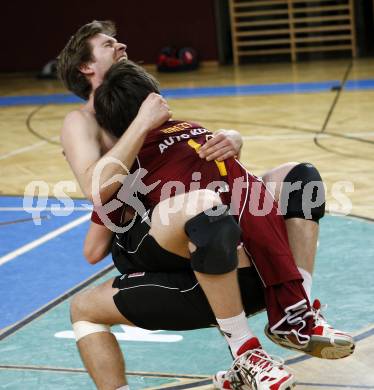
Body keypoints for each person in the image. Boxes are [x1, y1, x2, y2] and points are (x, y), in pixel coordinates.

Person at [69, 60, 353, 390]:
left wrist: (115, 215)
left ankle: (246, 351)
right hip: (271, 273)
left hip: (208, 280)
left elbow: (92, 249)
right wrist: (235, 140)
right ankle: (296, 310)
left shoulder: (125, 164)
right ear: (156, 99)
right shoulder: (198, 133)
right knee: (298, 175)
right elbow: (241, 189)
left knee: (83, 308)